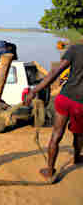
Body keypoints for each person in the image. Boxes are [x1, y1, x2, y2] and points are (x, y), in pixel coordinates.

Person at [25, 44, 83, 182]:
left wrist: (34, 90)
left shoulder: (75, 49)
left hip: (65, 98)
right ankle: (77, 157)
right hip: (81, 104)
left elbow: (54, 73)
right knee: (79, 133)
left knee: (56, 134)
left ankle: (50, 170)